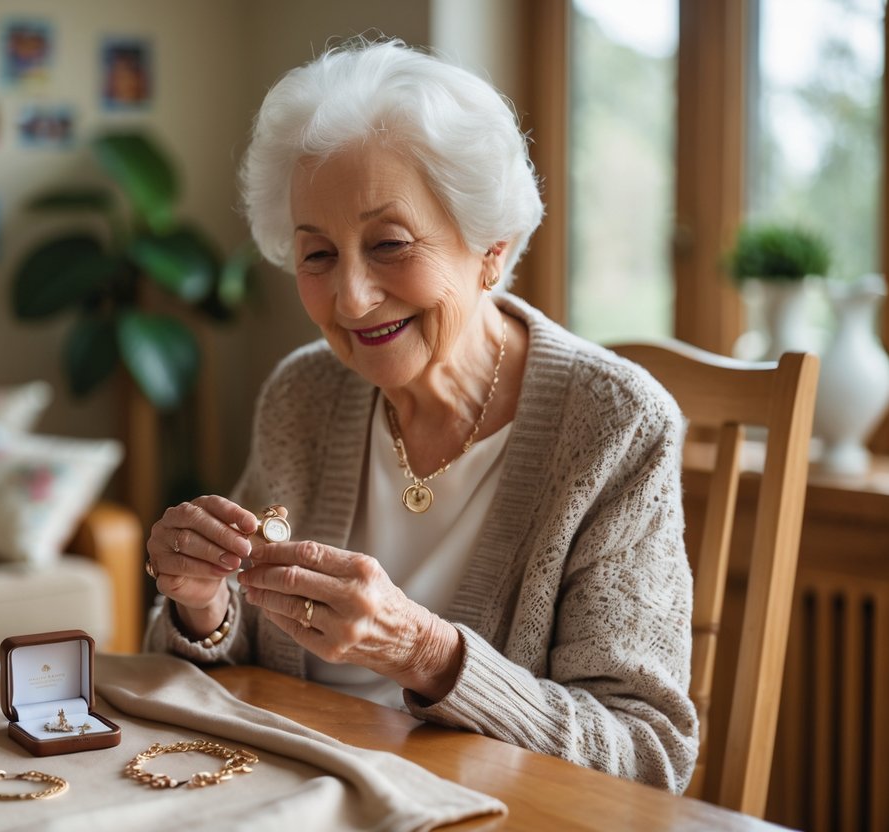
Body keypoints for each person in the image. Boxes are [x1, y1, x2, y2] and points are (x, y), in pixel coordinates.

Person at [143, 38, 698, 792]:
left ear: (490, 250)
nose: (351, 298)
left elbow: (647, 754)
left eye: (389, 244)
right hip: (286, 788)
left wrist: (425, 653)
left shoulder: (616, 426)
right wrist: (202, 603)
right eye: (317, 255)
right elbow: (229, 664)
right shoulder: (302, 394)